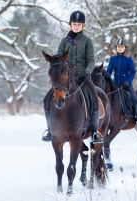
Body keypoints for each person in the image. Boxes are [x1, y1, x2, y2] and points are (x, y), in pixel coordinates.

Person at [42, 10, 103, 143]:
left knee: (94, 98)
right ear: (71, 24)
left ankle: (94, 132)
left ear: (83, 25)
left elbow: (91, 60)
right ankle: (49, 130)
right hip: (65, 78)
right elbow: (58, 59)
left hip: (83, 76)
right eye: (74, 24)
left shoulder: (87, 41)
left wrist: (87, 73)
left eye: (79, 24)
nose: (76, 26)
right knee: (46, 100)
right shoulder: (65, 41)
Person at [106, 38, 137, 130]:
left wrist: (127, 82)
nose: (119, 48)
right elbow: (109, 71)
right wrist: (107, 80)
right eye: (118, 46)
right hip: (115, 85)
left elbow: (133, 72)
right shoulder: (113, 58)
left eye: (121, 47)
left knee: (134, 98)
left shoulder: (128, 58)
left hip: (126, 84)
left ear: (125, 48)